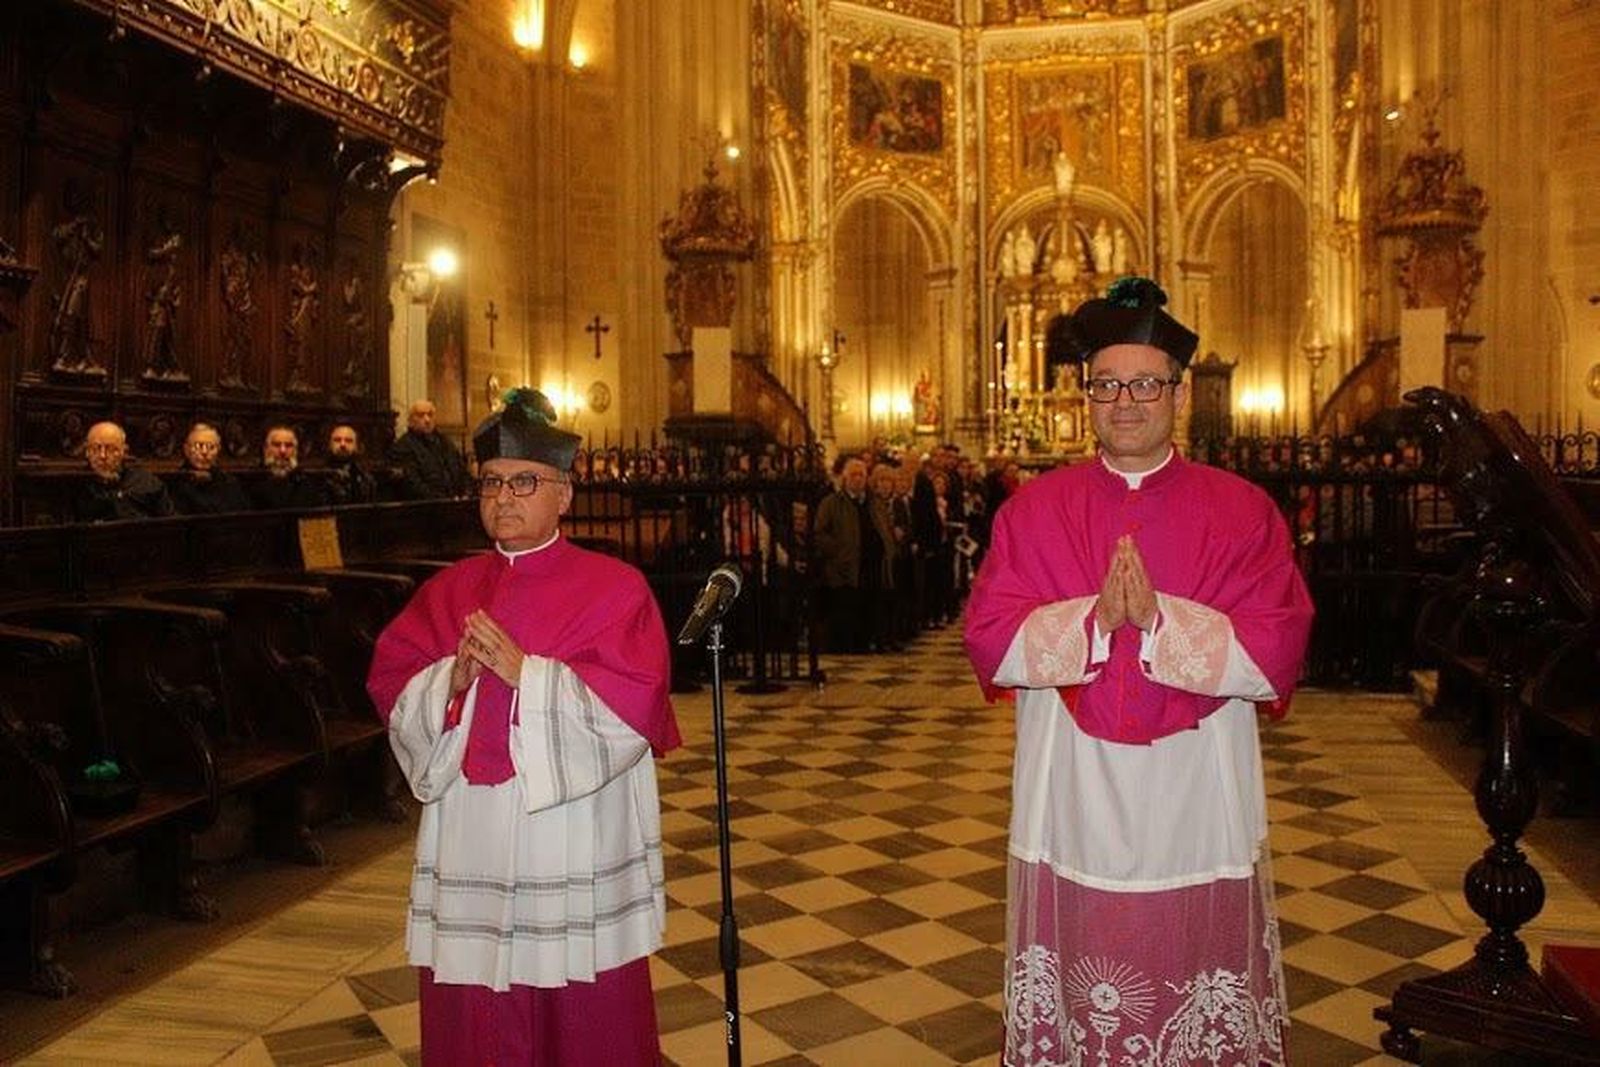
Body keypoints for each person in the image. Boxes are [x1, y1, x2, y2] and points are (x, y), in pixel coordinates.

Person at [963, 276, 1313, 1066]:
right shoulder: (1032, 510)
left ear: (1178, 394)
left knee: (1191, 966)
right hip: (1069, 784)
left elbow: (1280, 646)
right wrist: (1094, 621)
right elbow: (988, 638)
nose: (1126, 401)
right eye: (1107, 384)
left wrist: (1162, 623)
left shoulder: (1243, 509)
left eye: (1145, 383)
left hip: (1197, 786)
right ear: (1086, 395)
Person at [366, 387, 680, 1066]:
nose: (503, 498)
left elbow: (635, 707)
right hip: (471, 831)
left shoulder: (616, 588)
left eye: (524, 482)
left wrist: (527, 674)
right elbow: (392, 685)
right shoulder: (446, 591)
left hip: (567, 835)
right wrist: (445, 684)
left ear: (564, 495)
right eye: (490, 483)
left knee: (582, 1011)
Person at [812, 455, 869, 652]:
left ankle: (861, 644)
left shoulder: (870, 502)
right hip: (840, 568)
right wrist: (839, 551)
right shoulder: (831, 503)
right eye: (853, 475)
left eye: (861, 475)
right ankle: (842, 647)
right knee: (842, 608)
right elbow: (820, 533)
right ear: (845, 478)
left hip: (865, 566)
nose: (858, 479)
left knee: (862, 607)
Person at [75, 420, 174, 521]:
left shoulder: (147, 482)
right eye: (95, 448)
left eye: (111, 449)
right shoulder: (74, 484)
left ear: (124, 451)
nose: (102, 456)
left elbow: (171, 525)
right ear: (87, 452)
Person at [389, 399, 470, 499]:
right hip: (427, 507)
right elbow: (413, 485)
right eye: (420, 415)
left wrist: (466, 493)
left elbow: (462, 471)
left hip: (456, 503)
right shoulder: (403, 447)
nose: (427, 420)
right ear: (410, 420)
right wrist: (442, 500)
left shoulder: (445, 442)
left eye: (430, 415)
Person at [171, 421, 249, 514]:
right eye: (198, 446)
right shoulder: (175, 483)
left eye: (211, 447)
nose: (204, 452)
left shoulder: (230, 483)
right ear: (186, 449)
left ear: (218, 450)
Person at [251, 425, 328, 510]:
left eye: (288, 445)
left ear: (296, 451)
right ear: (265, 449)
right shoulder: (250, 483)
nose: (283, 451)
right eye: (276, 445)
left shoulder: (309, 484)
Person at [324, 423, 378, 505]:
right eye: (337, 440)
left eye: (348, 441)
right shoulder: (318, 477)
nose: (343, 444)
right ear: (329, 445)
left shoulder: (366, 479)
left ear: (356, 446)